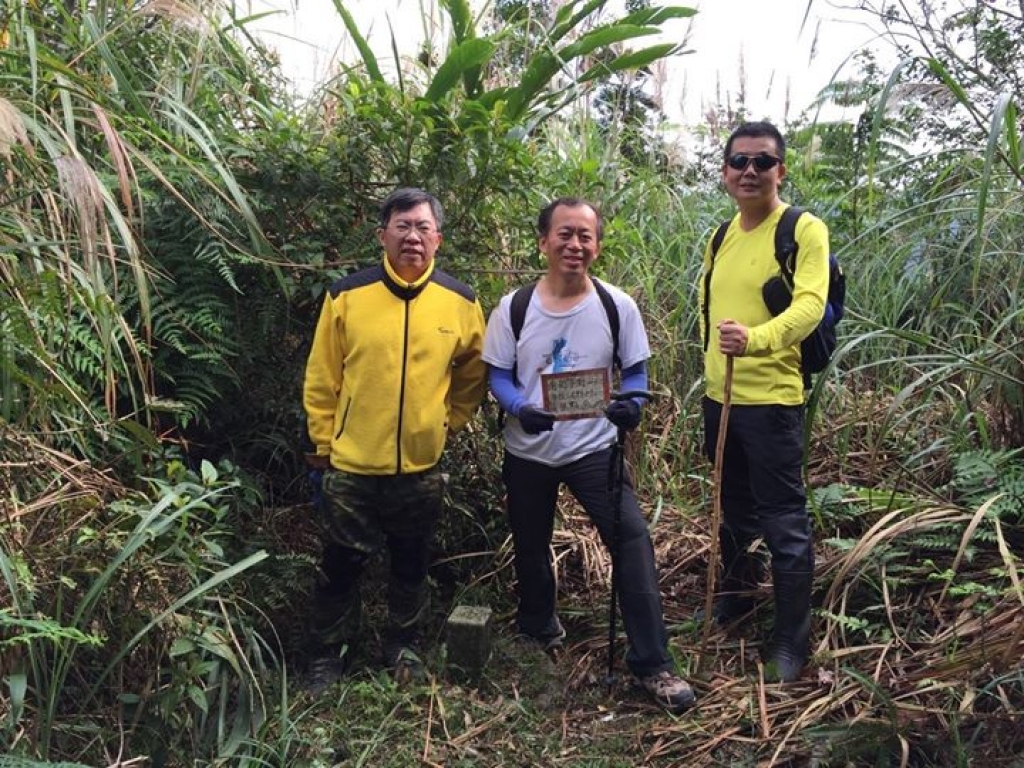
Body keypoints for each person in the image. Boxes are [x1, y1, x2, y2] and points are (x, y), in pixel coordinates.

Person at [482, 197, 695, 714]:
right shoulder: (514, 308)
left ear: (597, 245)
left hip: (594, 448)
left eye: (585, 236)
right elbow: (498, 374)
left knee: (632, 541)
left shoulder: (615, 305)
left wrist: (632, 406)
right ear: (543, 242)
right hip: (528, 449)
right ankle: (537, 626)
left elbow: (636, 372)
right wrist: (517, 406)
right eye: (564, 234)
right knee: (530, 542)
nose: (575, 245)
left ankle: (652, 663)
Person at [302, 187, 487, 691]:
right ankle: (328, 656)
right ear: (382, 234)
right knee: (341, 563)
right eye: (402, 226)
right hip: (351, 465)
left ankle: (403, 648)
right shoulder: (347, 296)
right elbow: (322, 378)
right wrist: (323, 444)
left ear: (438, 240)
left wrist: (451, 421)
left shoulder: (461, 302)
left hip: (421, 467)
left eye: (423, 228)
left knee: (412, 562)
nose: (412, 236)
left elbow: (474, 371)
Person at [698, 121, 829, 682]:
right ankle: (738, 595)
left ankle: (790, 639)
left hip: (772, 400)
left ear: (782, 170)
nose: (750, 171)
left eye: (763, 162)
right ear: (726, 172)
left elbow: (811, 306)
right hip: (718, 398)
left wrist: (757, 340)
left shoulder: (802, 229)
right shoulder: (720, 234)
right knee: (732, 508)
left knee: (782, 519)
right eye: (739, 161)